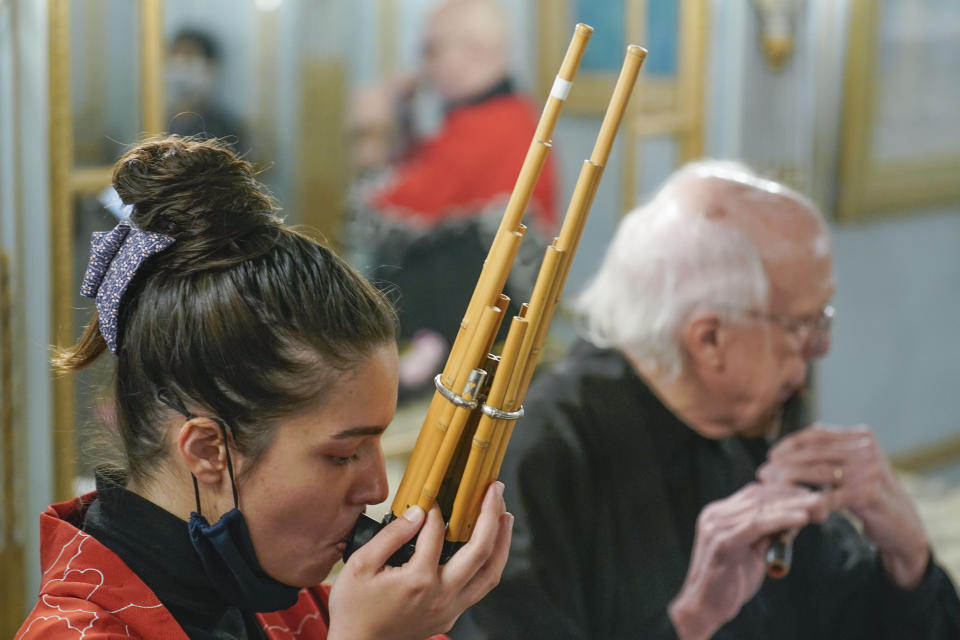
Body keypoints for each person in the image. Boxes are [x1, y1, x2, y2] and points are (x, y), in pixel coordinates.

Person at [17, 136, 513, 640]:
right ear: (208, 450)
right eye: (342, 456)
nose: (377, 489)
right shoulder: (76, 632)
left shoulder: (297, 603)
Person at [454, 161, 960, 639]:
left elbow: (847, 615)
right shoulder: (540, 456)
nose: (822, 347)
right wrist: (690, 621)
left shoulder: (759, 411)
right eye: (803, 324)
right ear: (709, 339)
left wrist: (908, 558)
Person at [348, 0, 559, 392]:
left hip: (469, 336)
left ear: (474, 52)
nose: (422, 65)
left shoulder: (488, 130)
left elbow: (380, 215)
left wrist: (373, 132)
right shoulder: (506, 117)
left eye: (431, 50)